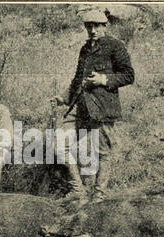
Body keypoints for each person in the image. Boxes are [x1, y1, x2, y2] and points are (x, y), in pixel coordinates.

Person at [53, 9, 135, 203]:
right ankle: (78, 190)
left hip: (102, 108)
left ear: (105, 26)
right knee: (60, 145)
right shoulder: (85, 49)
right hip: (80, 107)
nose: (92, 30)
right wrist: (64, 97)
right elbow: (77, 79)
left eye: (96, 26)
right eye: (89, 26)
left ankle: (99, 194)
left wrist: (103, 79)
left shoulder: (115, 46)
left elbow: (129, 75)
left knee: (104, 152)